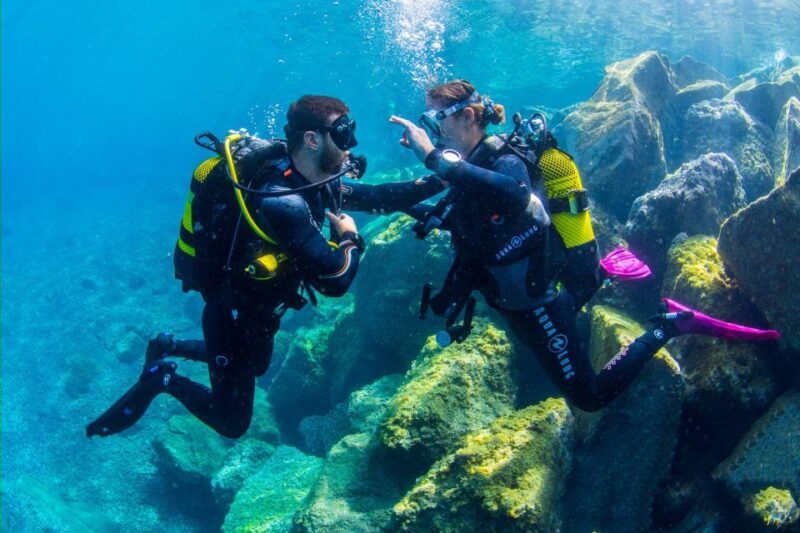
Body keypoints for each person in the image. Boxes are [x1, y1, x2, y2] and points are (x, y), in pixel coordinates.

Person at [385, 79, 780, 412]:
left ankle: (669, 326)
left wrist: (432, 157)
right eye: (427, 125)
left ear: (467, 117)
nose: (431, 132)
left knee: (589, 396)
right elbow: (406, 199)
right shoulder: (467, 169)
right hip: (523, 299)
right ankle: (600, 272)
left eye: (434, 121)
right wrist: (347, 191)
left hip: (537, 303)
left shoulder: (499, 162)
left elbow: (513, 194)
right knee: (569, 301)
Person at [86, 95, 441, 439]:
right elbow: (334, 281)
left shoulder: (313, 180)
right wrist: (350, 238)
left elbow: (377, 197)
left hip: (261, 312)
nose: (352, 145)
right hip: (231, 319)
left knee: (255, 366)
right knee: (232, 423)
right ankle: (162, 378)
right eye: (344, 133)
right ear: (312, 139)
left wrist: (445, 173)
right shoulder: (281, 201)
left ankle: (171, 345)